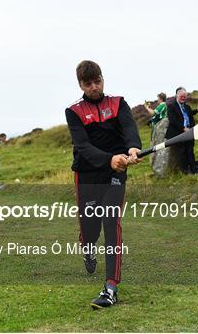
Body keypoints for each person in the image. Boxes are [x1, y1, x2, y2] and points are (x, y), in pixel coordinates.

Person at [65, 60, 142, 309]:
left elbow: (129, 128)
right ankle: (88, 248)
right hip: (88, 174)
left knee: (111, 221)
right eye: (89, 84)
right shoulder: (73, 111)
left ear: (102, 79)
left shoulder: (118, 103)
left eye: (98, 81)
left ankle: (111, 287)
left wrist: (132, 147)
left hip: (116, 173)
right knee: (90, 230)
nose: (95, 87)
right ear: (81, 85)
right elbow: (83, 147)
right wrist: (109, 159)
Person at [166, 87, 198, 174]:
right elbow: (172, 120)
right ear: (177, 95)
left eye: (185, 96)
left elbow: (191, 119)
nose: (183, 98)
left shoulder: (187, 107)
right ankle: (185, 171)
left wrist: (192, 128)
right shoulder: (171, 106)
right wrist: (183, 128)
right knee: (182, 152)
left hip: (189, 132)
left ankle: (194, 170)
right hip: (178, 133)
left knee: (190, 151)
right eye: (181, 96)